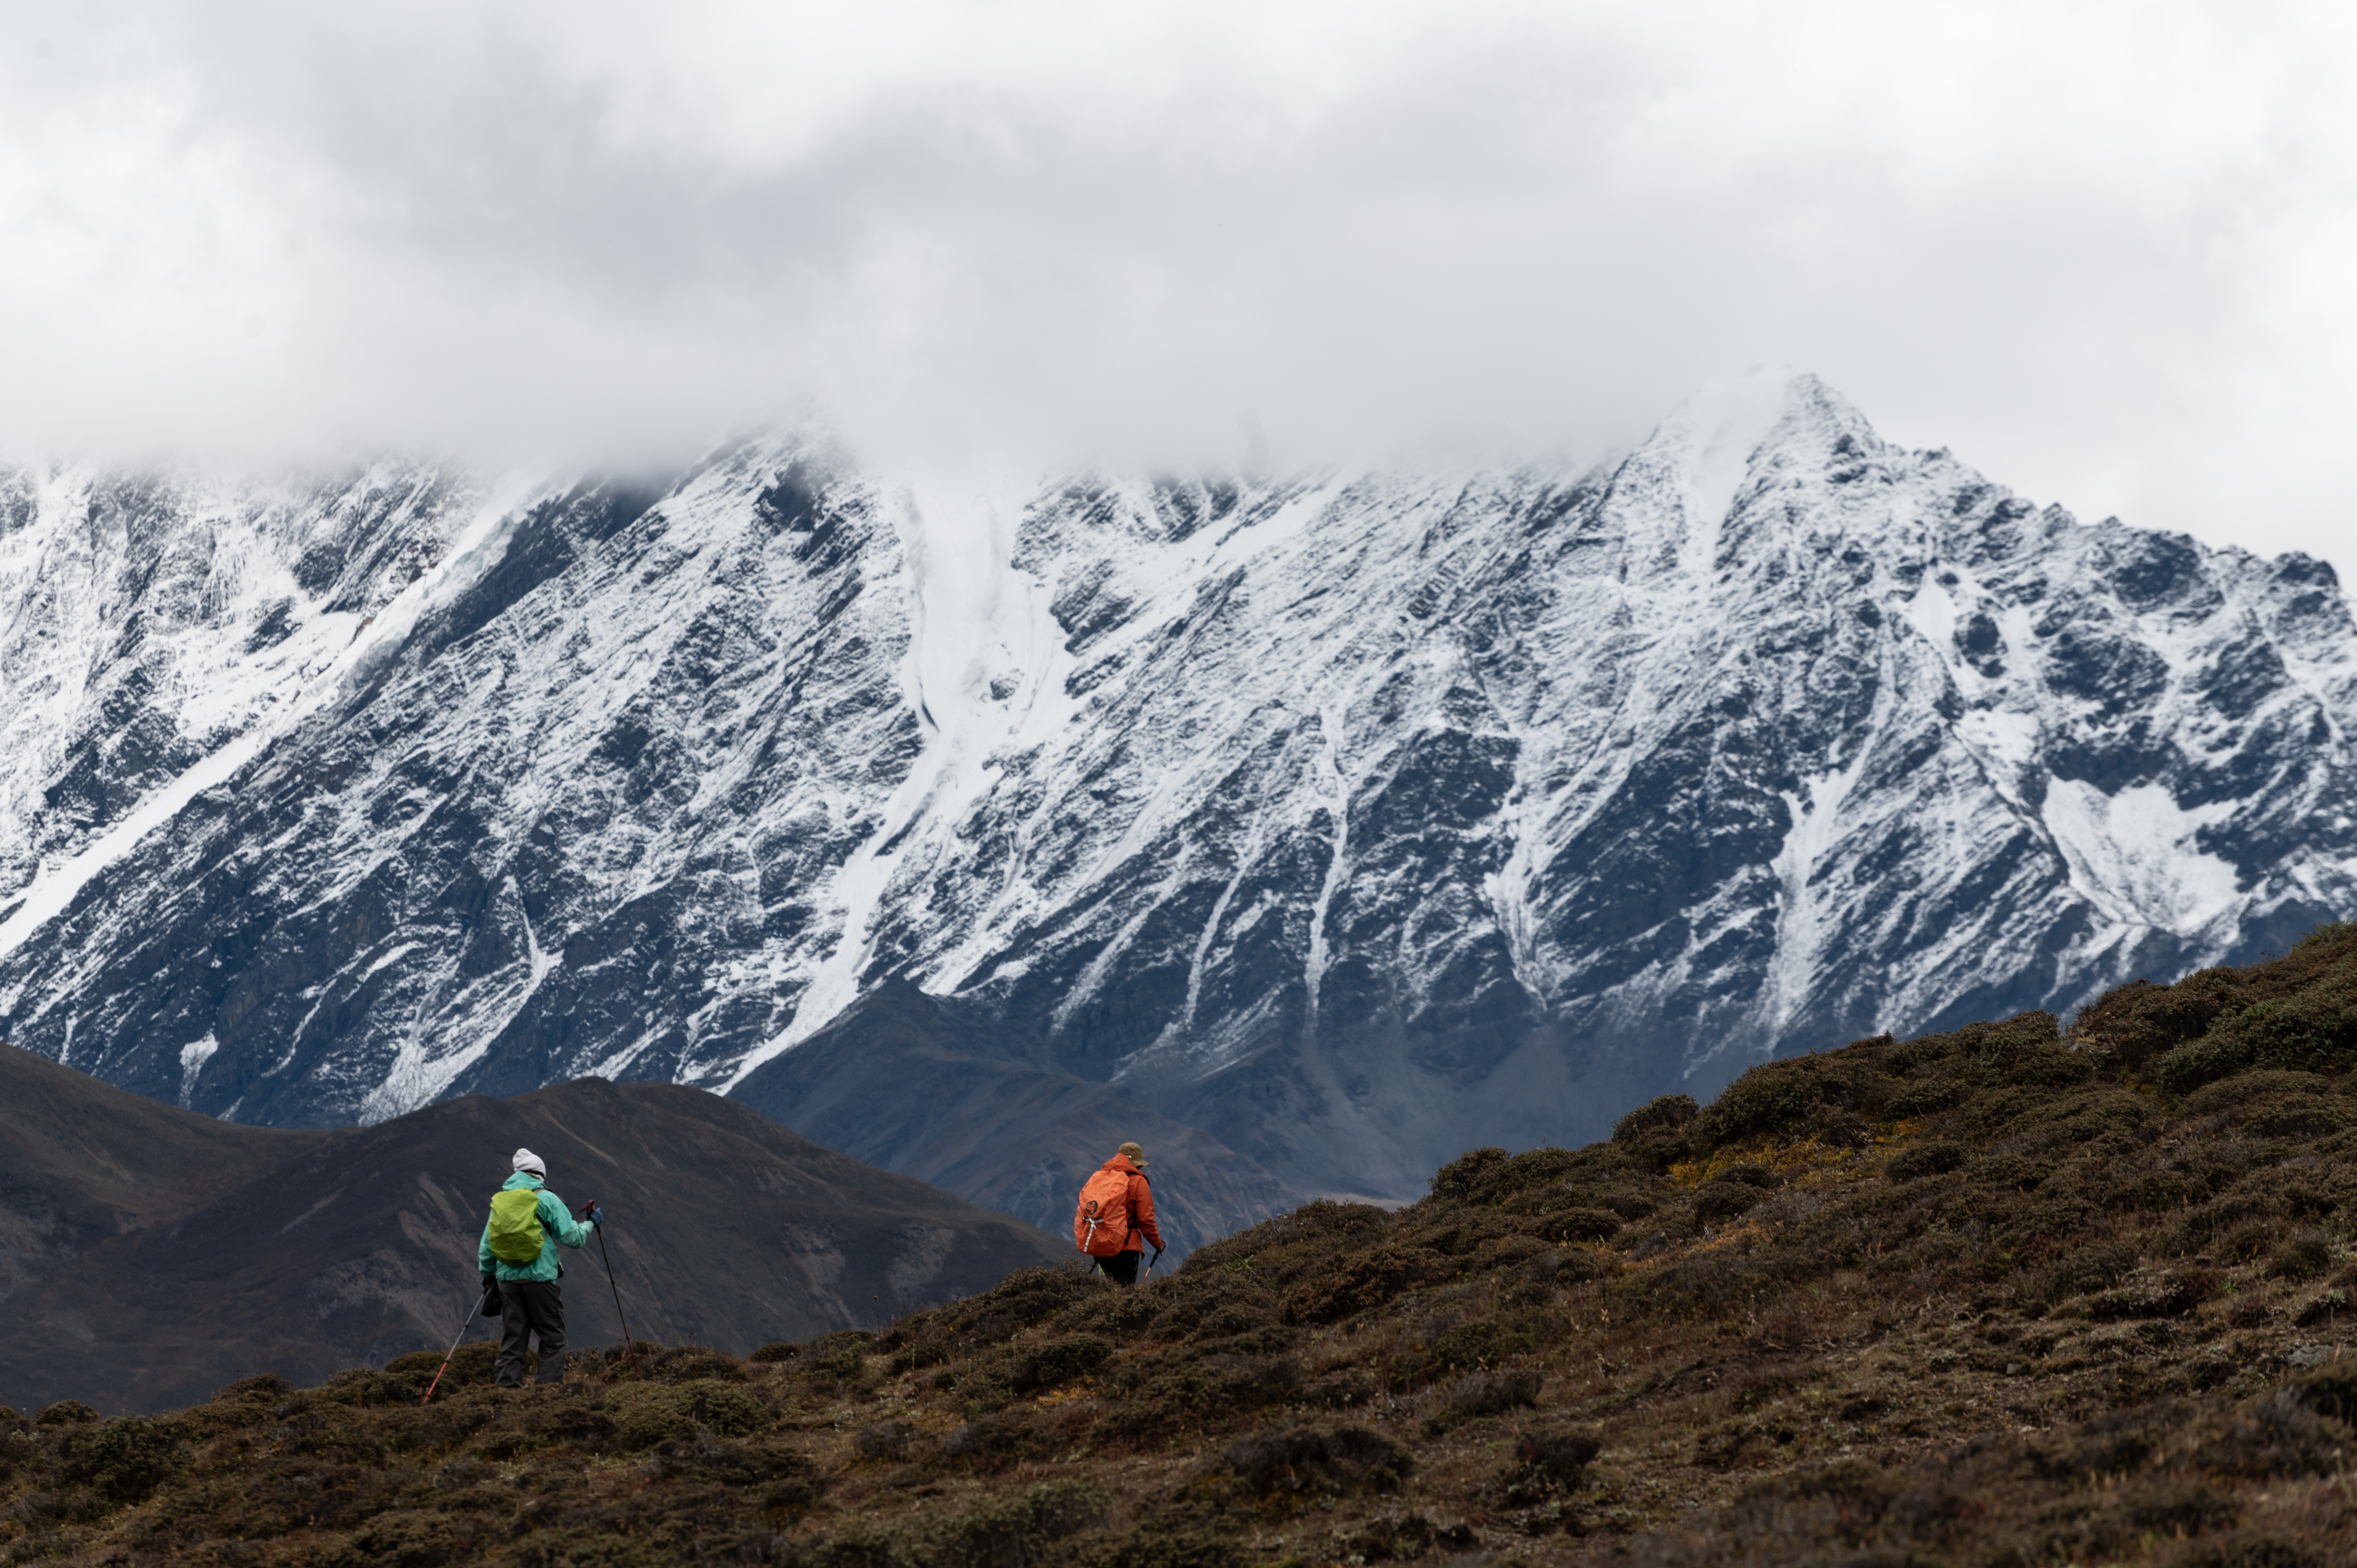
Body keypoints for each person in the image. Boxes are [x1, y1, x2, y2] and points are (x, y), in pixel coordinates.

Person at [478, 1147, 597, 1387]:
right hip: (540, 1281)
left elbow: (487, 1246)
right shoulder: (547, 1199)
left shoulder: (501, 1202)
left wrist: (489, 1277)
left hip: (508, 1281)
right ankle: (546, 1394)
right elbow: (573, 1238)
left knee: (514, 1340)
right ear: (540, 1175)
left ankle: (505, 1393)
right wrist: (591, 1224)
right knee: (553, 1338)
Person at [1076, 1141, 1164, 1286]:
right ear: (1135, 1163)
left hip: (1103, 1246)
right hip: (1127, 1247)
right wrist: (1158, 1244)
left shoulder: (1101, 1179)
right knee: (1124, 1295)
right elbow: (1146, 1221)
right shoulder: (1138, 1182)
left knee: (1109, 1293)